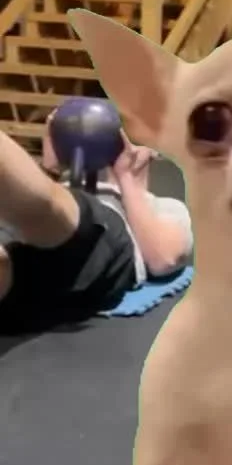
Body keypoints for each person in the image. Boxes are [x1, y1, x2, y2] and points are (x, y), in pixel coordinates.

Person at [0, 111, 193, 334]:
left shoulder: (163, 207)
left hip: (97, 256)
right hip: (24, 270)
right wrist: (50, 168)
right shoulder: (50, 188)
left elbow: (163, 260)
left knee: (52, 211)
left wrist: (128, 179)